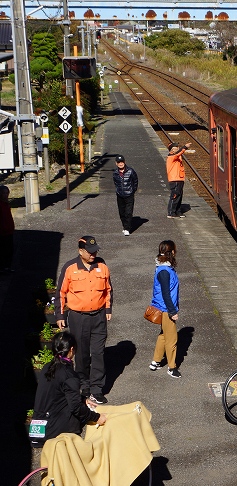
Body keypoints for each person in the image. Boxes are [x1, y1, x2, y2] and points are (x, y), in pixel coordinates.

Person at [55, 236, 113, 404]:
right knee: (80, 354)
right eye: (90, 251)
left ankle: (97, 388)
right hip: (77, 317)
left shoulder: (102, 266)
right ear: (80, 251)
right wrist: (59, 316)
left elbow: (108, 290)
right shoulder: (70, 268)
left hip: (99, 316)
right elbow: (60, 293)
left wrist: (108, 309)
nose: (93, 254)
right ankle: (83, 385)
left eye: (95, 251)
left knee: (98, 353)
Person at [32, 331, 107, 447]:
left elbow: (57, 393)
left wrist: (82, 398)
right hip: (54, 431)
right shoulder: (69, 375)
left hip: (38, 429)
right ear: (71, 350)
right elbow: (75, 407)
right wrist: (97, 418)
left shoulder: (48, 367)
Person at [148, 240, 182, 378]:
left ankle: (155, 361)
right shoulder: (165, 271)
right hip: (166, 309)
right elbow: (166, 294)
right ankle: (172, 367)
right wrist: (172, 311)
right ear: (172, 252)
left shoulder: (162, 267)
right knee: (172, 339)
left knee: (163, 335)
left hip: (161, 307)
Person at [112, 154, 138, 236]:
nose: (120, 164)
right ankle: (125, 226)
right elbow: (116, 183)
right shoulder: (115, 173)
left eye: (122, 162)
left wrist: (133, 190)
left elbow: (135, 181)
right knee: (121, 212)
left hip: (129, 195)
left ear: (124, 162)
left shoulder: (131, 171)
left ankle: (127, 228)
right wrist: (118, 191)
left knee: (128, 212)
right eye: (119, 162)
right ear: (116, 163)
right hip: (120, 195)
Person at [166, 141, 191, 218]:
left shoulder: (176, 156)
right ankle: (171, 212)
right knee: (175, 196)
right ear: (171, 151)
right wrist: (185, 147)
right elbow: (178, 153)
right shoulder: (171, 157)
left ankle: (178, 211)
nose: (177, 149)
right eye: (175, 148)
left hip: (179, 178)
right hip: (174, 179)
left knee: (179, 196)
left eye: (177, 148)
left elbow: (179, 153)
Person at [0, 185, 14, 273]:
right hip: (2, 232)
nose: (5, 195)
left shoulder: (6, 204)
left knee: (9, 250)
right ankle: (3, 268)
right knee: (3, 251)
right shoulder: (1, 204)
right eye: (3, 193)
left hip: (9, 231)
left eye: (6, 193)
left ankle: (7, 267)